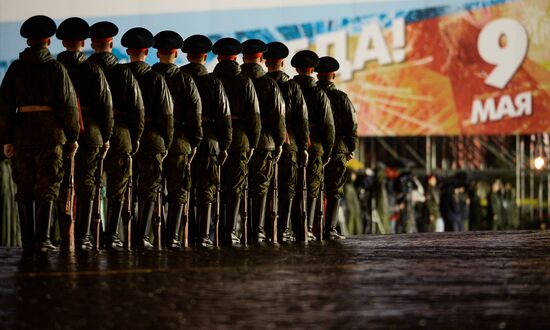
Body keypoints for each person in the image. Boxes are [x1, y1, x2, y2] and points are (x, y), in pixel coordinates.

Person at [0, 15, 80, 251]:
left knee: (24, 187)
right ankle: (43, 239)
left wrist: (6, 139)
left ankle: (27, 241)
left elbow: (4, 107)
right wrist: (73, 137)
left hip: (22, 135)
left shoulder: (15, 68)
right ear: (48, 40)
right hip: (50, 136)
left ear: (28, 40)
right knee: (48, 186)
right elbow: (68, 106)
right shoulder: (56, 68)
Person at [55, 17, 114, 250]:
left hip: (58, 134)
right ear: (84, 42)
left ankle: (62, 236)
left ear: (62, 43)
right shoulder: (93, 69)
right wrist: (107, 136)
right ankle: (83, 237)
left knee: (60, 184)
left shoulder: (55, 68)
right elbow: (105, 107)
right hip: (91, 135)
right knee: (88, 184)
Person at [88, 21, 145, 249]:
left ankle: (90, 234)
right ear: (112, 44)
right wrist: (135, 137)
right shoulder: (123, 72)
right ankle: (110, 235)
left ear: (92, 44)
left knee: (88, 186)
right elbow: (137, 110)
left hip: (89, 135)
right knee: (117, 187)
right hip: (121, 136)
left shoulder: (83, 70)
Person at [121, 27, 174, 249]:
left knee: (123, 187)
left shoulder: (118, 74)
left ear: (127, 51)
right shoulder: (156, 78)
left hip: (124, 136)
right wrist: (167, 142)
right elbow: (167, 114)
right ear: (146, 51)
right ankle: (142, 236)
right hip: (153, 139)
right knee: (150, 188)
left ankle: (122, 236)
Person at [152, 31, 202, 249]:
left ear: (156, 52)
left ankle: (146, 236)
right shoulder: (185, 79)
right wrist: (195, 140)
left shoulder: (147, 75)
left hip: (151, 139)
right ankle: (172, 237)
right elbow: (194, 113)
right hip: (181, 140)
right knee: (178, 190)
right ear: (176, 53)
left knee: (148, 188)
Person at [181, 35, 232, 247]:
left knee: (183, 189)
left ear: (186, 54)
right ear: (205, 56)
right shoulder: (213, 82)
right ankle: (203, 236)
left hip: (181, 138)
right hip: (210, 142)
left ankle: (183, 234)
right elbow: (224, 117)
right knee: (206, 190)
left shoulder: (178, 77)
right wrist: (225, 144)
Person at [211, 37, 260, 246]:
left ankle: (212, 231)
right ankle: (229, 231)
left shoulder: (211, 79)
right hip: (240, 140)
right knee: (235, 187)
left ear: (219, 57)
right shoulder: (244, 81)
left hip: (212, 136)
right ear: (236, 57)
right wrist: (254, 142)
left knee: (213, 186)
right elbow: (254, 115)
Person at [240, 39, 285, 244]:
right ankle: (257, 230)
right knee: (260, 188)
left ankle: (232, 230)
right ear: (261, 58)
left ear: (243, 57)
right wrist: (280, 142)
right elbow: (278, 116)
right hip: (265, 142)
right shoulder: (269, 84)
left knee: (235, 187)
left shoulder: (236, 80)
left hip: (237, 141)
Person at [263, 42, 309, 242]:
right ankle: (282, 230)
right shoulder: (292, 87)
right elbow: (301, 119)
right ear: (282, 62)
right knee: (287, 188)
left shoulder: (258, 83)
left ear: (266, 62)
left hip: (262, 141)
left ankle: (263, 229)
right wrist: (303, 145)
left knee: (261, 188)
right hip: (289, 143)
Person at [290, 50, 334, 240]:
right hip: (314, 145)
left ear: (297, 69)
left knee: (290, 186)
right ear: (313, 70)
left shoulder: (288, 88)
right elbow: (328, 125)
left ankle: (292, 227)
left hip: (290, 142)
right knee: (313, 187)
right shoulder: (319, 93)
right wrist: (328, 151)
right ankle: (308, 227)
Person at [315, 56, 357, 240]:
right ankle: (330, 229)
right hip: (338, 149)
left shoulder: (309, 94)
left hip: (314, 147)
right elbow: (352, 125)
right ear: (333, 75)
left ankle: (311, 227)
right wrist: (351, 147)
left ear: (317, 74)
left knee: (311, 188)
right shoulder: (341, 97)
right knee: (335, 190)